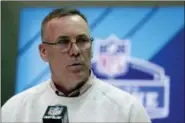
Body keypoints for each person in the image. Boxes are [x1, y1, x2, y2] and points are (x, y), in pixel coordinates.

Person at [2, 8, 151, 123]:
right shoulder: (15, 110)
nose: (75, 51)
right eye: (63, 42)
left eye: (82, 40)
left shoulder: (127, 110)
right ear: (43, 52)